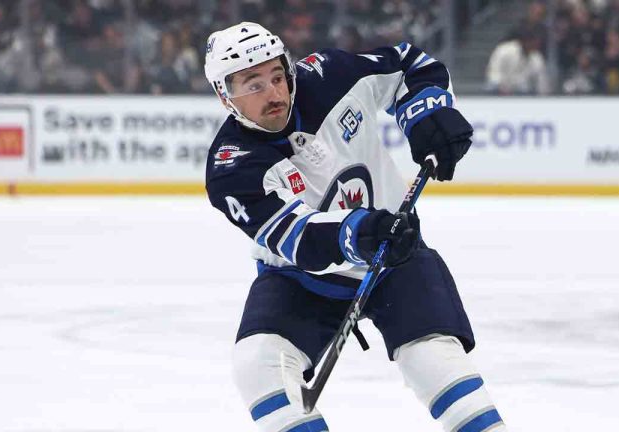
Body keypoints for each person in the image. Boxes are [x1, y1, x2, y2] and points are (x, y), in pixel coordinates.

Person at [204, 22, 507, 432]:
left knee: (433, 358)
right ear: (226, 96)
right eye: (253, 85)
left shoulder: (329, 76)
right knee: (257, 365)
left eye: (278, 76)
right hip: (301, 280)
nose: (274, 94)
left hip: (396, 257)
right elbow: (297, 237)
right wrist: (357, 232)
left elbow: (408, 64)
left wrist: (427, 114)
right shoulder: (233, 167)